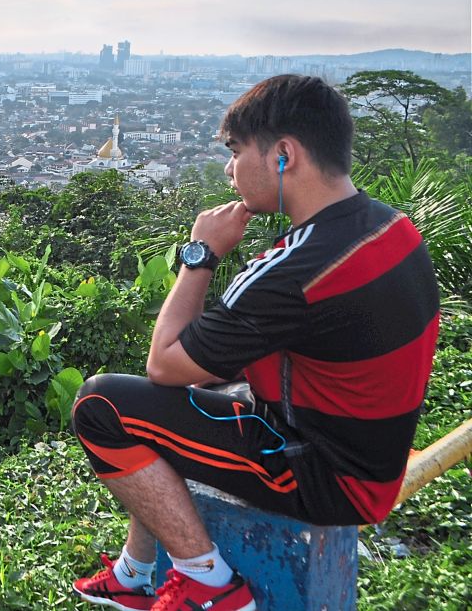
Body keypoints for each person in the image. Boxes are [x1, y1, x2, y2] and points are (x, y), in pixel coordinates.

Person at [70, 74, 440, 611]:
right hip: (368, 453)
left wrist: (200, 255)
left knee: (102, 405)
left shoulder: (297, 268)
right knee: (188, 392)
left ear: (283, 155)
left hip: (327, 475)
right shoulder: (388, 225)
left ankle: (209, 584)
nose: (230, 169)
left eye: (237, 151)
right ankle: (136, 571)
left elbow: (164, 365)